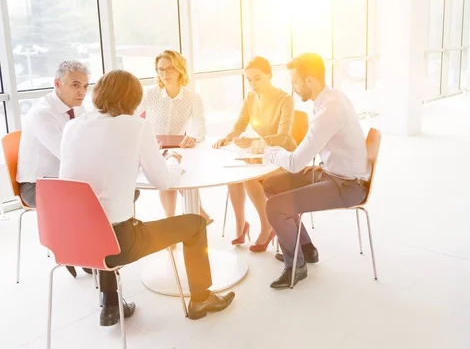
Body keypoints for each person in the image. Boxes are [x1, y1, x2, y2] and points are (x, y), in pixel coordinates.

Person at [59, 70, 235, 326]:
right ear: (133, 99)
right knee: (195, 223)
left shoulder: (73, 125)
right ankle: (201, 298)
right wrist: (173, 160)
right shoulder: (136, 126)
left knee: (101, 213)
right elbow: (163, 181)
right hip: (116, 246)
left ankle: (110, 303)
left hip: (70, 239)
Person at [261, 53, 371, 288]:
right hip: (331, 173)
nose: (293, 88)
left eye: (295, 82)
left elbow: (294, 163)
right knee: (271, 185)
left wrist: (267, 150)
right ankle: (305, 248)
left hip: (348, 186)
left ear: (309, 80)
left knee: (275, 207)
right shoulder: (331, 98)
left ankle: (296, 266)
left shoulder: (329, 110)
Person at [17, 60, 92, 278]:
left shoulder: (77, 107)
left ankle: (87, 252)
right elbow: (68, 154)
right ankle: (82, 252)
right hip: (37, 186)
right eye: (75, 85)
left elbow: (87, 142)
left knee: (114, 193)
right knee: (96, 200)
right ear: (57, 83)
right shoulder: (42, 114)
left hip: (66, 179)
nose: (82, 92)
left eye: (86, 86)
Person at [213, 56, 296, 252]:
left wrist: (254, 141)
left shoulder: (285, 100)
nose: (253, 84)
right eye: (249, 80)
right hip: (262, 154)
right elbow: (241, 123)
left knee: (248, 178)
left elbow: (284, 137)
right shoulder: (251, 97)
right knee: (234, 176)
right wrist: (227, 137)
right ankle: (241, 226)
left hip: (283, 156)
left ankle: (267, 226)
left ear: (270, 76)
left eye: (257, 78)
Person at [137, 50, 213, 225]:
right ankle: (176, 220)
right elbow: (132, 116)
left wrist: (193, 136)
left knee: (181, 177)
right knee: (166, 179)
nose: (164, 74)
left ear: (180, 70)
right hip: (154, 148)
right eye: (160, 69)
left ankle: (194, 216)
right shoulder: (150, 94)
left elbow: (200, 124)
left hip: (180, 148)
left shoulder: (192, 98)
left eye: (169, 69)